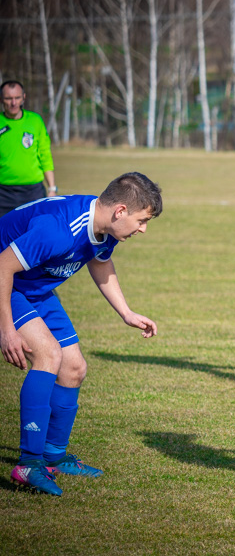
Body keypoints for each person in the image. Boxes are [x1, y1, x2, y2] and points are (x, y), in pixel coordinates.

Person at [1, 172, 161, 496]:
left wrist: (126, 313)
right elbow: (3, 267)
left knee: (73, 368)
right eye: (142, 220)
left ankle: (53, 456)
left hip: (35, 288)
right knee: (48, 355)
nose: (143, 229)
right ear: (120, 211)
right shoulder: (58, 230)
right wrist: (7, 330)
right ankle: (28, 465)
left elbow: (100, 262)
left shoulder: (104, 228)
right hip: (7, 282)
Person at [0, 80, 58, 217]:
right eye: (8, 98)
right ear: (1, 99)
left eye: (17, 98)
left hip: (33, 192)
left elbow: (45, 156)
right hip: (3, 193)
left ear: (23, 97)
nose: (13, 103)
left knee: (34, 234)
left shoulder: (35, 121)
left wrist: (52, 188)